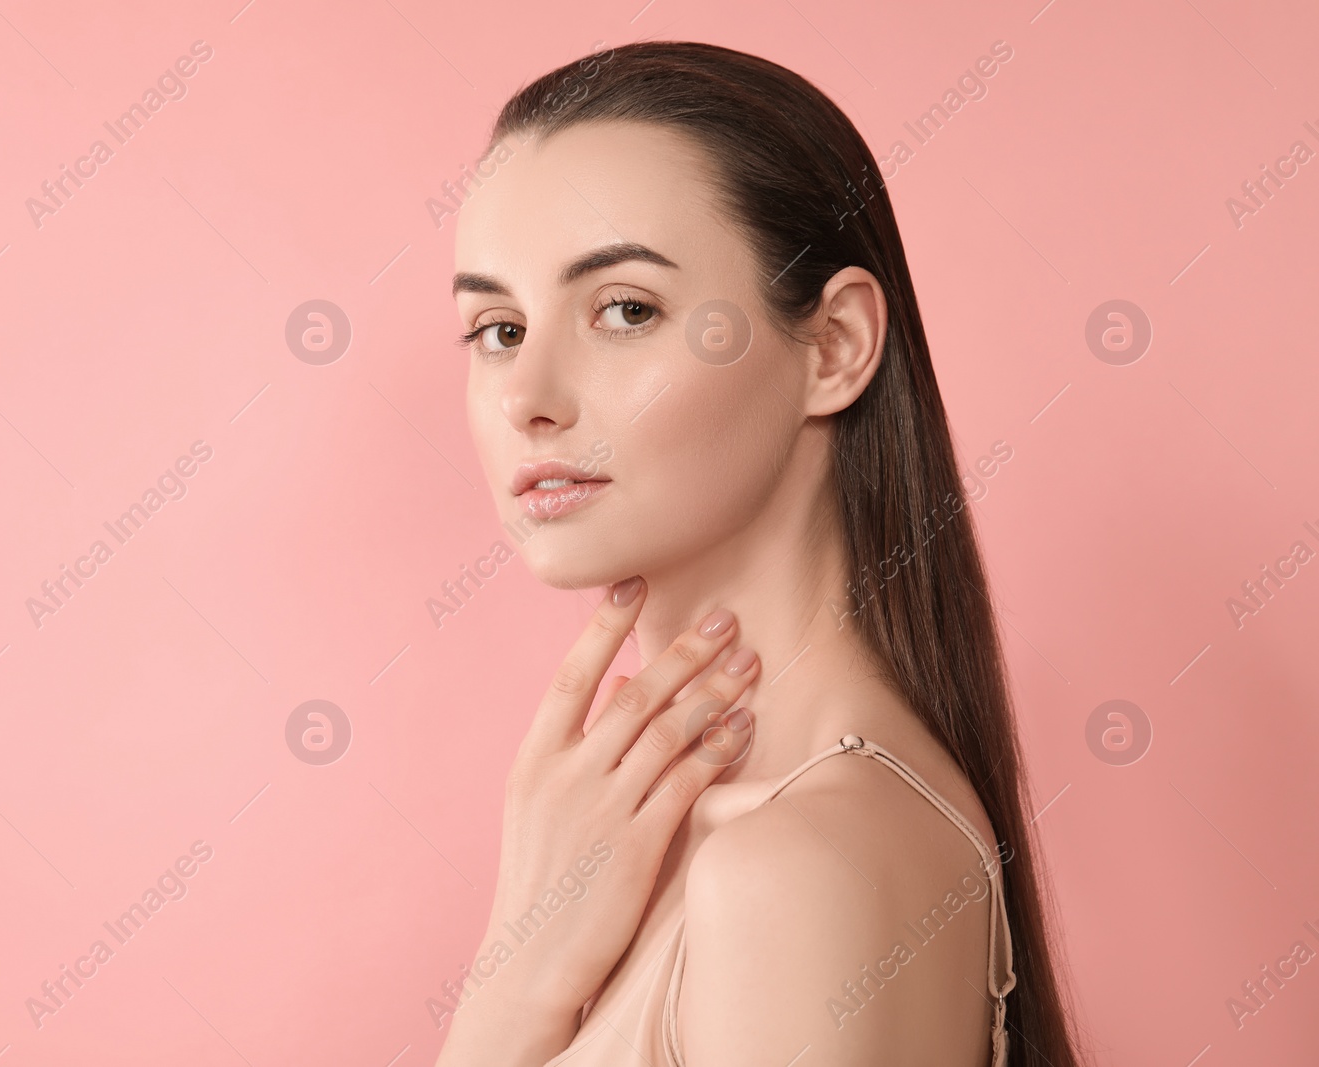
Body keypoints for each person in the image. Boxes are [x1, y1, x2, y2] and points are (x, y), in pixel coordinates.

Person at [435, 40, 1085, 1067]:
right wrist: (512, 982)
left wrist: (503, 1003)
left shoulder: (793, 868)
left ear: (832, 347)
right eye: (499, 326)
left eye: (625, 310)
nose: (527, 396)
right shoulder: (678, 844)